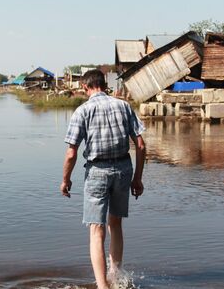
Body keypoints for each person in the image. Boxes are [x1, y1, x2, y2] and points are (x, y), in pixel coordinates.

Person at [60, 69, 146, 289]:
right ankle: (116, 278)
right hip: (124, 169)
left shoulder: (82, 111)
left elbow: (71, 153)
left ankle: (102, 286)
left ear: (86, 87)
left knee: (96, 231)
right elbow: (141, 145)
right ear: (103, 85)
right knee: (115, 225)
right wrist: (138, 178)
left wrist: (65, 180)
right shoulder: (124, 106)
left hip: (97, 171)